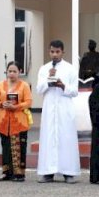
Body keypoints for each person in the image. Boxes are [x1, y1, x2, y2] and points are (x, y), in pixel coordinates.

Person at [36, 39, 80, 183]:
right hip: (49, 108)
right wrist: (49, 79)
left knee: (66, 138)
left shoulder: (70, 68)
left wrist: (63, 86)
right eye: (52, 52)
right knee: (49, 139)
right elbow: (38, 89)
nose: (54, 54)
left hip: (64, 108)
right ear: (49, 52)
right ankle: (48, 172)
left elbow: (74, 91)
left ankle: (68, 172)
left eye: (57, 52)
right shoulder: (44, 69)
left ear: (63, 52)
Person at [0, 61, 32, 182]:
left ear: (19, 72)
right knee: (5, 147)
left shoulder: (24, 85)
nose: (12, 74)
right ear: (7, 72)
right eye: (10, 71)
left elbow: (29, 102)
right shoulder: (0, 85)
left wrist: (17, 107)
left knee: (20, 146)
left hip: (19, 121)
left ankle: (19, 174)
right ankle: (6, 172)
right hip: (4, 121)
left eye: (14, 71)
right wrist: (1, 104)